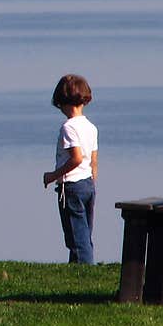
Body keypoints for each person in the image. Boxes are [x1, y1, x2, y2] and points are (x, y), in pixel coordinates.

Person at [43, 74, 98, 264]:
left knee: (76, 236)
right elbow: (93, 160)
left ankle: (84, 271)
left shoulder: (68, 127)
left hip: (71, 187)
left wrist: (52, 176)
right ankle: (76, 268)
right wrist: (91, 181)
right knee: (84, 232)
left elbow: (76, 158)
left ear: (62, 102)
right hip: (87, 185)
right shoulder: (90, 127)